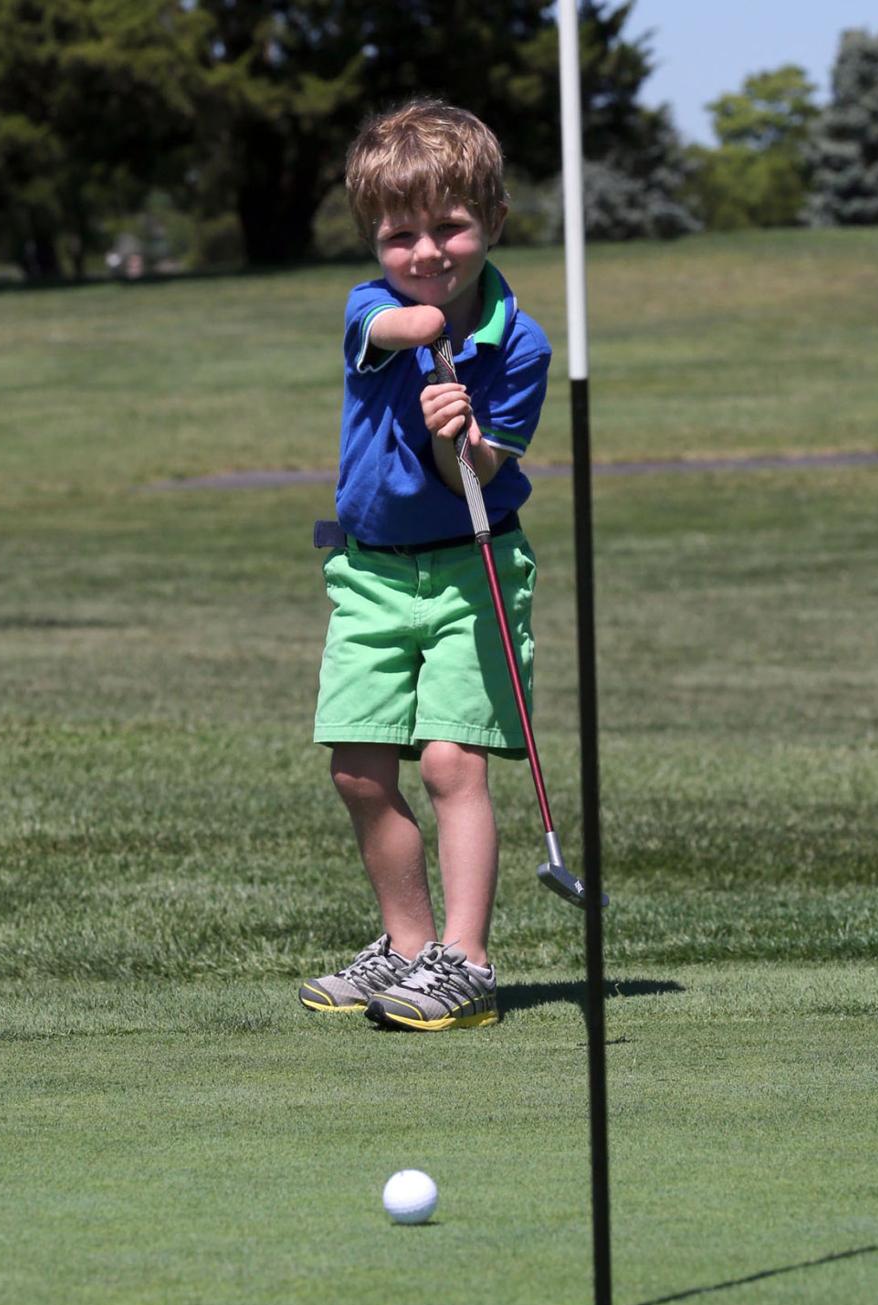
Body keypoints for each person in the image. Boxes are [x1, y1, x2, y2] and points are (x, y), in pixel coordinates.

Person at [297, 99, 551, 1032]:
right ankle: (405, 950)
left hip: (470, 573)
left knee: (452, 763)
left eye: (450, 228)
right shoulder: (373, 305)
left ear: (492, 220)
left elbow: (478, 481)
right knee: (359, 770)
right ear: (375, 241)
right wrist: (429, 331)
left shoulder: (520, 343)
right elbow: (393, 328)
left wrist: (465, 439)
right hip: (367, 574)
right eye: (400, 235)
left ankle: (466, 963)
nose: (428, 253)